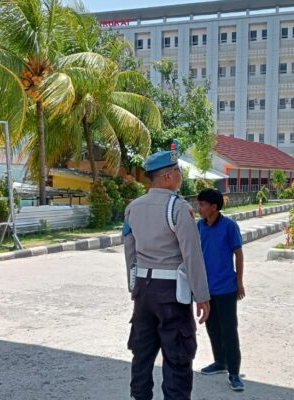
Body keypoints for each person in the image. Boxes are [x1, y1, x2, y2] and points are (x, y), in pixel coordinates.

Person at [123, 149, 211, 400]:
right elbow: (191, 255)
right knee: (177, 356)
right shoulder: (178, 208)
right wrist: (202, 296)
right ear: (168, 177)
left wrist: (134, 287)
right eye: (179, 172)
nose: (180, 176)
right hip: (172, 294)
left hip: (143, 290)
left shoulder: (133, 208)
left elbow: (130, 253)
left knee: (142, 353)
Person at [195, 188, 245, 392]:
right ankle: (219, 362)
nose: (199, 208)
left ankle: (234, 373)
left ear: (213, 207)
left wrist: (239, 282)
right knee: (212, 328)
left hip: (226, 287)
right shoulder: (199, 226)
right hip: (206, 289)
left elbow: (239, 255)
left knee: (229, 330)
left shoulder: (229, 226)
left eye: (202, 205)